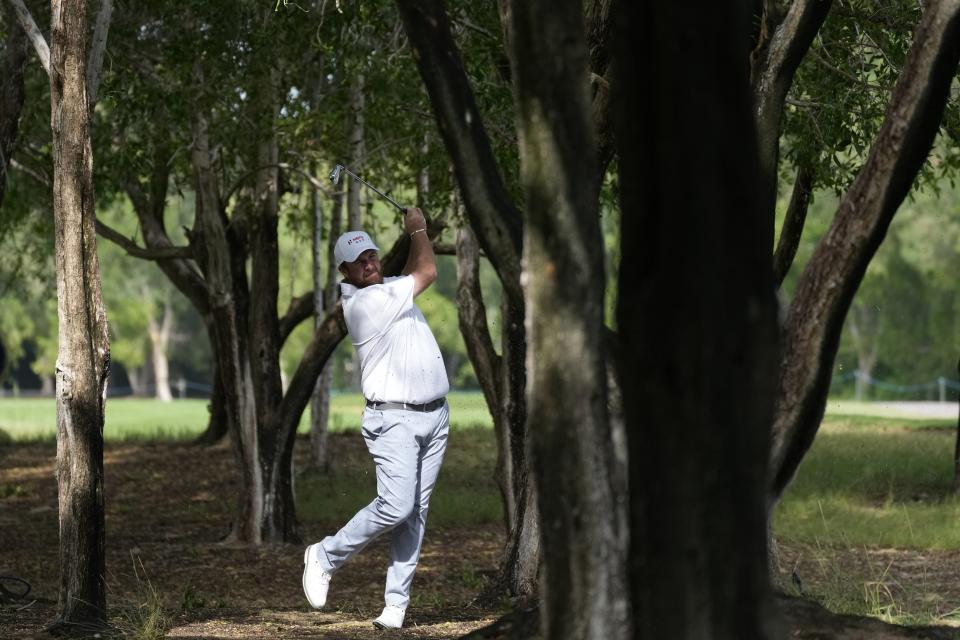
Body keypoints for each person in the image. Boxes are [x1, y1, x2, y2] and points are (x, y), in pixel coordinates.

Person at [302, 207, 450, 630]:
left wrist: (411, 238)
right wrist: (418, 228)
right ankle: (325, 555)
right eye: (358, 261)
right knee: (396, 505)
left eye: (371, 255)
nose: (368, 263)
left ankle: (395, 607)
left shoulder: (387, 289)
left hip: (434, 417)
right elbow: (426, 270)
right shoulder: (366, 303)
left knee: (415, 514)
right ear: (344, 272)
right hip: (395, 421)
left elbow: (405, 274)